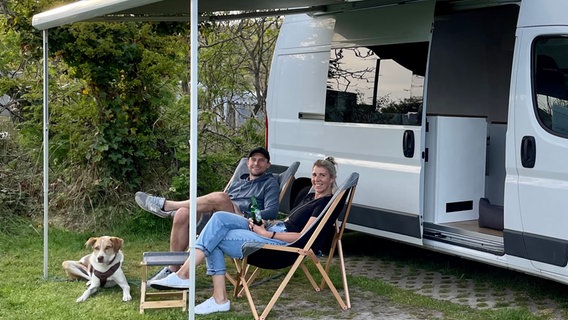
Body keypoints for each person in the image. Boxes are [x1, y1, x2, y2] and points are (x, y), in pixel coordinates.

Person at [148, 157, 338, 315]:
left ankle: (201, 285)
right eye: (314, 174)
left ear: (332, 179)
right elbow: (289, 222)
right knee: (220, 220)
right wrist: (266, 224)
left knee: (216, 233)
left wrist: (266, 232)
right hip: (273, 230)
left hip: (282, 247)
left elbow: (303, 237)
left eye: (322, 175)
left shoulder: (324, 204)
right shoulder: (310, 197)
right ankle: (202, 287)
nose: (316, 179)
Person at [135, 147, 280, 280]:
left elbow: (272, 211)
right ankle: (173, 269)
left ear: (268, 165)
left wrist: (250, 215)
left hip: (245, 223)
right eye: (253, 160)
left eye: (261, 160)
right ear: (247, 163)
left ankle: (167, 206)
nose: (257, 163)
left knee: (221, 197)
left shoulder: (269, 183)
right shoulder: (238, 183)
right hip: (222, 217)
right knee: (182, 213)